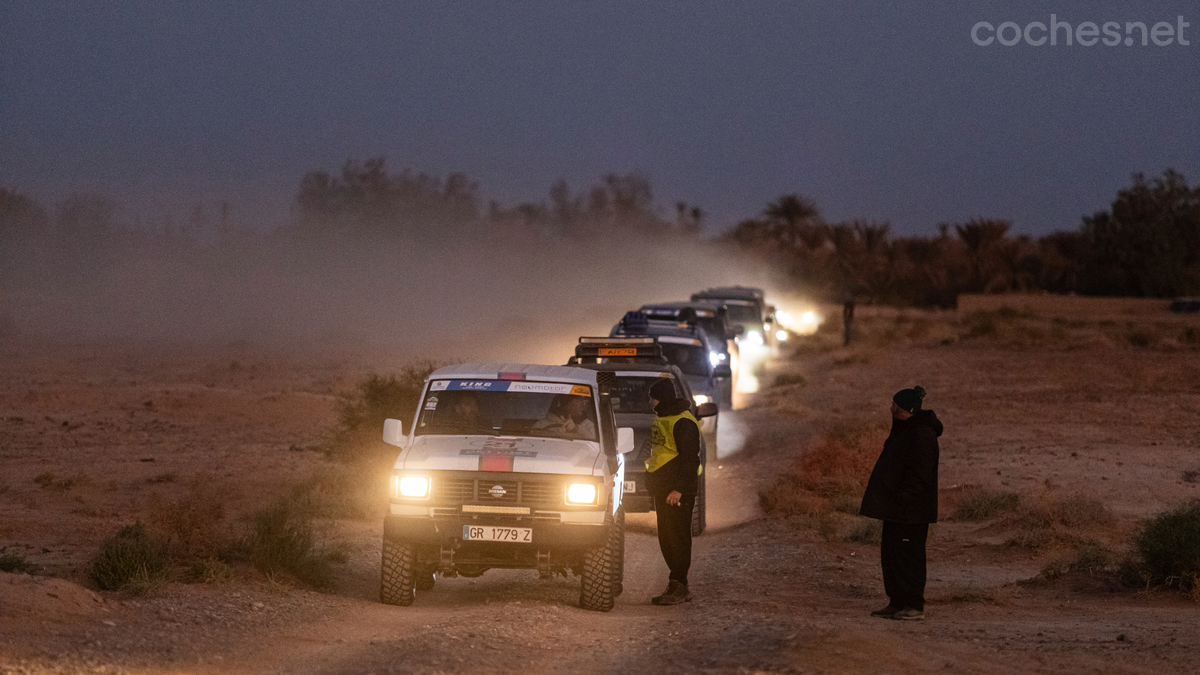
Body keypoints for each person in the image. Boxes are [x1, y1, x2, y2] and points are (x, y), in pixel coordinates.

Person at [860, 385, 942, 621]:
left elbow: (920, 476)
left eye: (896, 405)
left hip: (912, 512)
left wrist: (903, 500)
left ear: (907, 409)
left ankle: (913, 606)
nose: (891, 408)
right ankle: (896, 603)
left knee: (909, 557)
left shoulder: (922, 435)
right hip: (897, 510)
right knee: (892, 556)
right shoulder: (905, 429)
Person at [645, 378, 701, 605]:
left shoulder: (683, 422)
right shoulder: (664, 417)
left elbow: (690, 460)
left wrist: (679, 489)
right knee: (667, 539)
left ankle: (678, 585)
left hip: (676, 493)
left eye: (653, 398)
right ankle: (679, 586)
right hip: (664, 490)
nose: (650, 402)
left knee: (677, 539)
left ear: (662, 398)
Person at [532, 394, 597, 440]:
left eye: (585, 400)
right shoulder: (541, 425)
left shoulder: (589, 426)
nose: (583, 404)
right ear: (566, 402)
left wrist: (577, 429)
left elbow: (596, 443)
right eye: (579, 399)